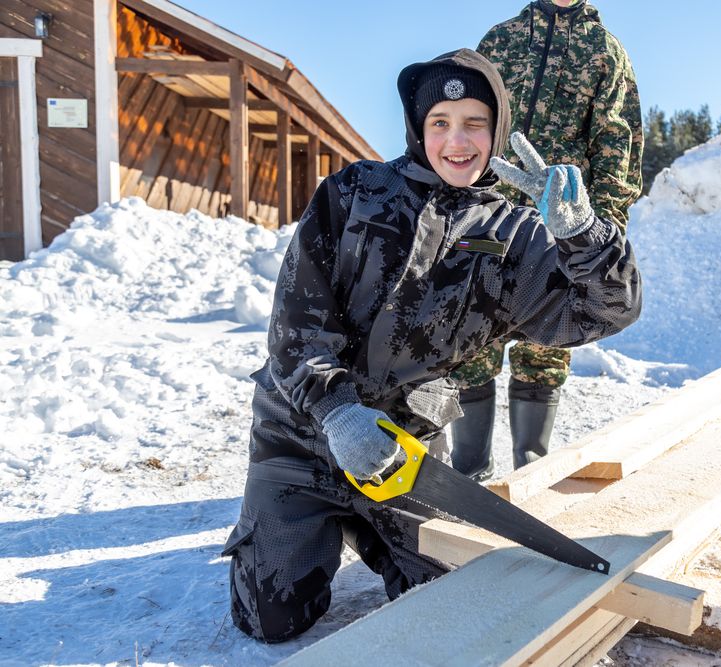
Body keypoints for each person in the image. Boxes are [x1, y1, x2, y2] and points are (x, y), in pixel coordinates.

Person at [222, 48, 642, 643]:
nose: (457, 140)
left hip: (406, 455)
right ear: (419, 129)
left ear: (497, 131)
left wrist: (584, 236)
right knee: (272, 619)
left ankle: (369, 524)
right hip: (305, 436)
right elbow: (297, 327)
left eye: (475, 122)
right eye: (440, 122)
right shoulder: (352, 194)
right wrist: (337, 411)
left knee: (454, 605)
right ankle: (302, 518)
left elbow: (609, 309)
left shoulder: (515, 234)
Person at [449, 0, 644, 480]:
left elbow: (617, 147)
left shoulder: (605, 52)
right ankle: (468, 476)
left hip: (554, 232)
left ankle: (527, 475)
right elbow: (464, 124)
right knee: (469, 344)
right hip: (487, 225)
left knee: (543, 354)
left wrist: (594, 236)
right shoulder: (501, 40)